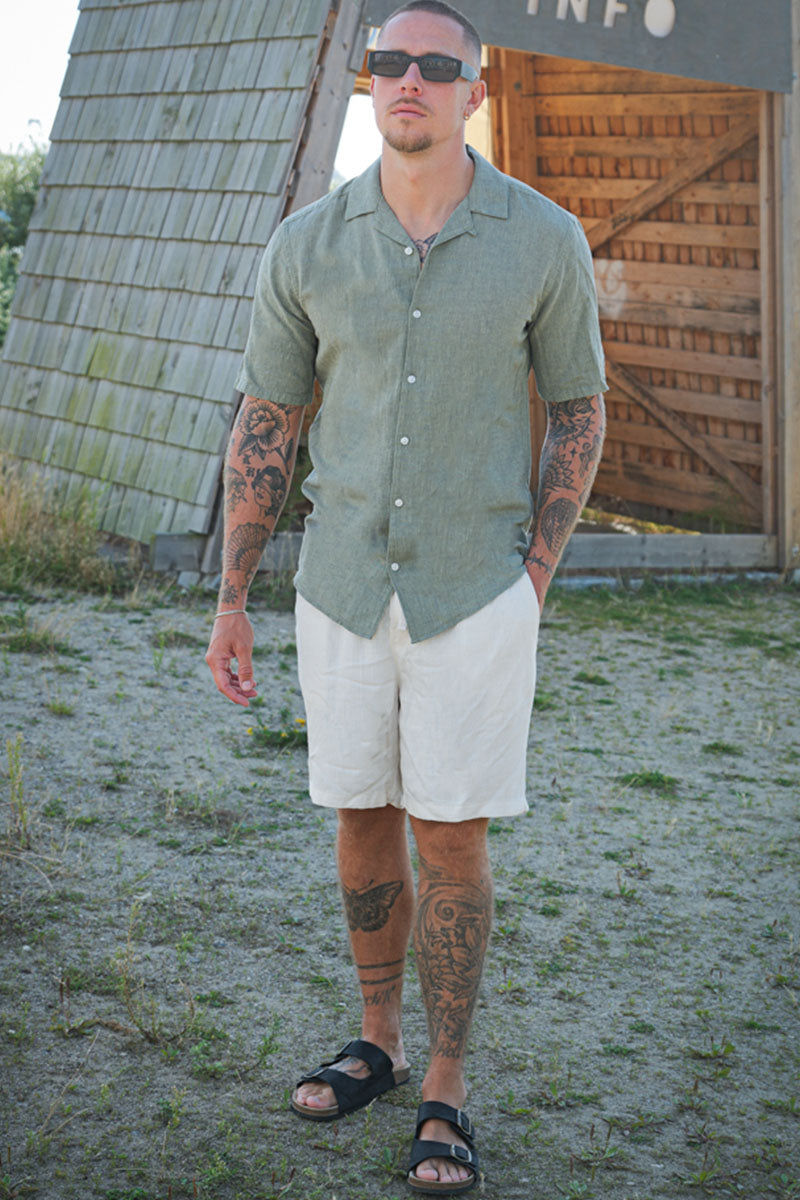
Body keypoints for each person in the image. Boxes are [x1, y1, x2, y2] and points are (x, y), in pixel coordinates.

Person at [205, 1, 607, 1192]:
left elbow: (577, 411)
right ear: (368, 81)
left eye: (438, 65)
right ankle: (375, 1044)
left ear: (472, 91)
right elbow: (267, 421)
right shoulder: (305, 245)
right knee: (360, 817)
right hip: (337, 588)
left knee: (450, 835)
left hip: (474, 595)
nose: (410, 80)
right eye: (390, 61)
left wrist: (531, 578)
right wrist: (230, 598)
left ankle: (445, 1081)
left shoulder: (542, 238)